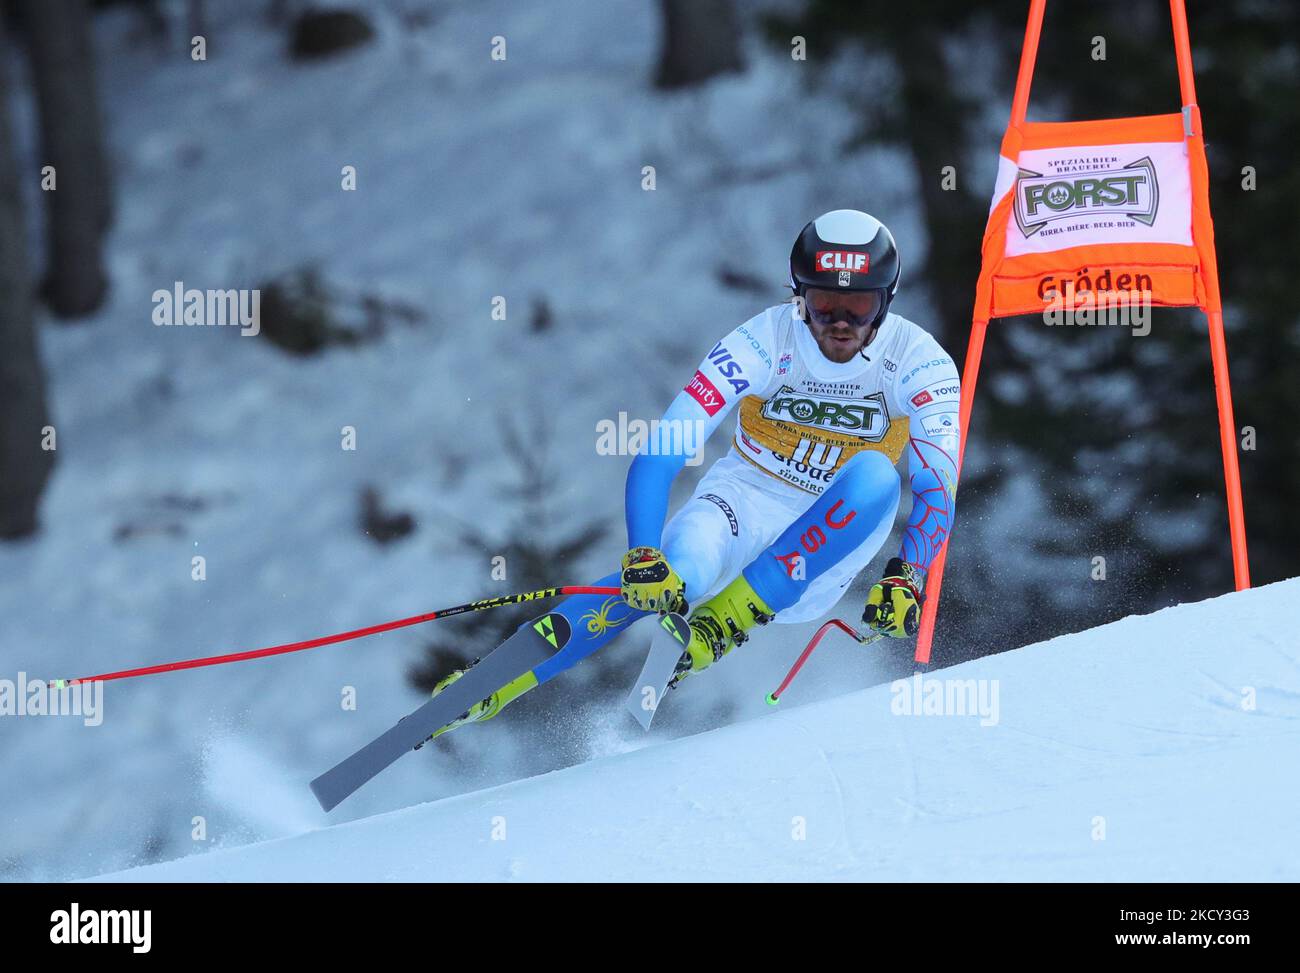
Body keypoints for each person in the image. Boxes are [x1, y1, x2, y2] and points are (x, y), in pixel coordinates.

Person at [428, 209, 960, 739]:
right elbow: (664, 448)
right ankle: (494, 684)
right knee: (673, 571)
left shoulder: (918, 360)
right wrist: (642, 553)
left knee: (877, 473)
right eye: (823, 304)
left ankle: (728, 619)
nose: (839, 324)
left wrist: (908, 574)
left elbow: (938, 484)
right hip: (745, 497)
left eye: (858, 307)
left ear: (886, 300)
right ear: (798, 293)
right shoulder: (762, 341)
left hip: (830, 541)